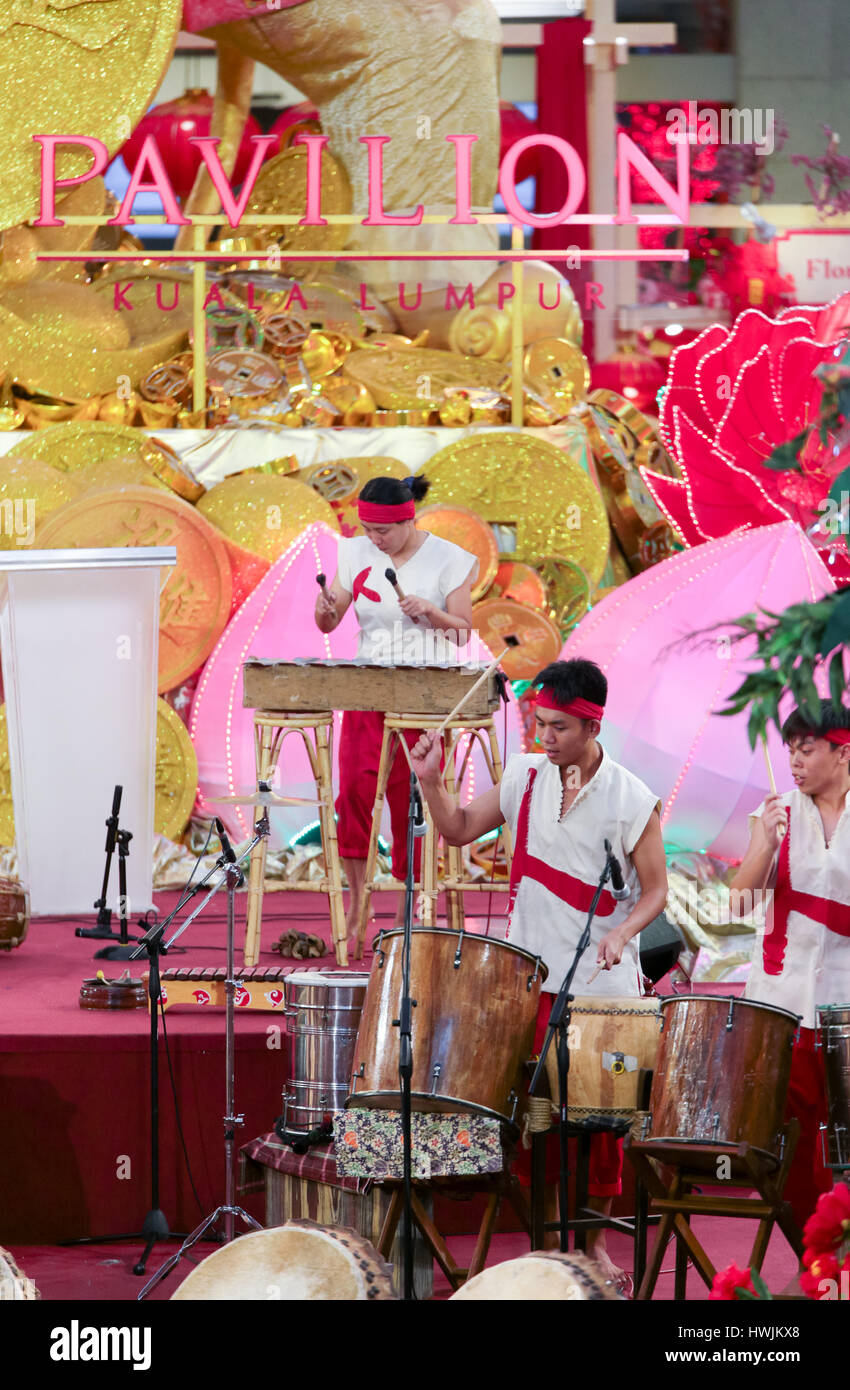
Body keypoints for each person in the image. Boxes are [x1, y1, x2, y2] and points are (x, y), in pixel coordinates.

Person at [409, 657, 668, 1290]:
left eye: (555, 727)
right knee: (541, 1124)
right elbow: (458, 830)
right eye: (538, 724)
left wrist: (622, 932)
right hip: (531, 984)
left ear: (589, 724)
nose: (543, 738)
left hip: (603, 990)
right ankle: (553, 1245)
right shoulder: (524, 776)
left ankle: (594, 1244)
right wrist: (430, 783)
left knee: (600, 1128)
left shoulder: (631, 797)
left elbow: (656, 893)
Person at [314, 473, 476, 941]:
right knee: (355, 796)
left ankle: (413, 905)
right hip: (369, 688)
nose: (373, 539)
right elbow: (328, 620)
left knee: (414, 801)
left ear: (408, 520)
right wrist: (325, 606)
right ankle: (358, 904)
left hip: (425, 693)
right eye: (367, 530)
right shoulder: (354, 553)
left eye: (382, 531)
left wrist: (431, 611)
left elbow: (462, 632)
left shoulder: (450, 559)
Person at [729, 700, 850, 1232]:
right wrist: (765, 846)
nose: (795, 762)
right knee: (792, 1147)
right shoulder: (773, 812)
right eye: (791, 751)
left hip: (846, 1009)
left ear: (842, 751)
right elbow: (736, 907)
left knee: (844, 1146)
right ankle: (813, 1258)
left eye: (807, 750)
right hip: (783, 1007)